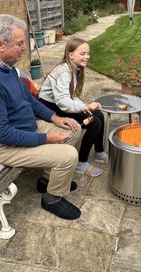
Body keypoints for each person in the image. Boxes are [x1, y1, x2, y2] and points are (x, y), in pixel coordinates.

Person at [0, 14, 82, 221]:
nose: (24, 47)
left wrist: (55, 118)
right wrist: (45, 138)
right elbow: (2, 134)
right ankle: (52, 198)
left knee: (73, 129)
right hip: (3, 146)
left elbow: (27, 100)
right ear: (0, 44)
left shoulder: (6, 66)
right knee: (68, 156)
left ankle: (48, 182)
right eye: (20, 43)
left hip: (25, 128)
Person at [38, 37, 107, 177]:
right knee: (94, 122)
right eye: (82, 53)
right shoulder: (63, 71)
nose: (86, 56)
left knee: (98, 114)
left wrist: (85, 107)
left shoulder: (74, 68)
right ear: (70, 55)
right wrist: (85, 106)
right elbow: (63, 102)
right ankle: (81, 163)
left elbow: (71, 96)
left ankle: (99, 151)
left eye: (88, 53)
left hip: (59, 104)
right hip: (50, 107)